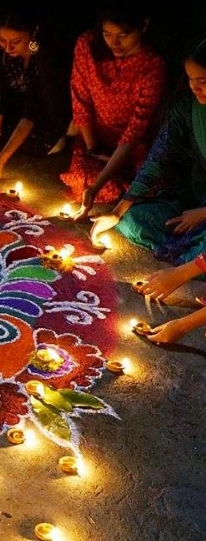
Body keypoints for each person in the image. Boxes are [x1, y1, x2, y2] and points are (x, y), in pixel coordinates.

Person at [90, 35, 206, 344]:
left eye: (204, 81)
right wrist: (119, 210)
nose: (196, 88)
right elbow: (158, 156)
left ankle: (194, 260)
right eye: (192, 79)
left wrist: (180, 323)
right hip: (198, 195)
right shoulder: (188, 106)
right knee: (135, 221)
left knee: (196, 254)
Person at [61, 0, 167, 220]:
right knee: (82, 178)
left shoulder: (152, 66)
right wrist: (93, 149)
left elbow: (135, 131)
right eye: (107, 34)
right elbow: (80, 100)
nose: (114, 43)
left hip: (132, 148)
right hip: (94, 140)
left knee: (151, 185)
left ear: (144, 26)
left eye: (123, 35)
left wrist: (97, 185)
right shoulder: (88, 45)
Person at [0, 2, 70, 180]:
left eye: (16, 42)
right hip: (10, 108)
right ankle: (4, 139)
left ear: (33, 33)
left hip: (41, 112)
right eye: (3, 40)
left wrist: (1, 160)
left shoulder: (46, 57)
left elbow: (36, 108)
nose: (8, 48)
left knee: (43, 142)